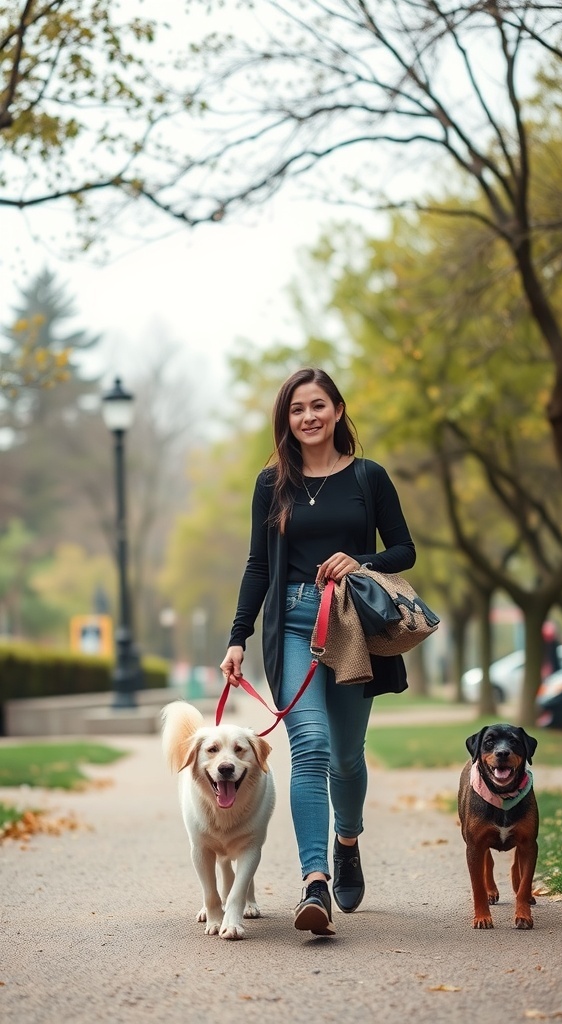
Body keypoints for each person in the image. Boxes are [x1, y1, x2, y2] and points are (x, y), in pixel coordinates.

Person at [219, 367, 416, 935]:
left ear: (337, 410)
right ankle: (315, 881)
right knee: (309, 743)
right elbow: (258, 564)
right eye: (296, 409)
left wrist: (363, 561)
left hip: (352, 623)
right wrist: (238, 636)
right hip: (292, 623)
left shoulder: (368, 478)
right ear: (287, 420)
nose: (308, 417)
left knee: (346, 755)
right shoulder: (271, 484)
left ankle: (346, 840)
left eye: (317, 406)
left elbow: (403, 549)